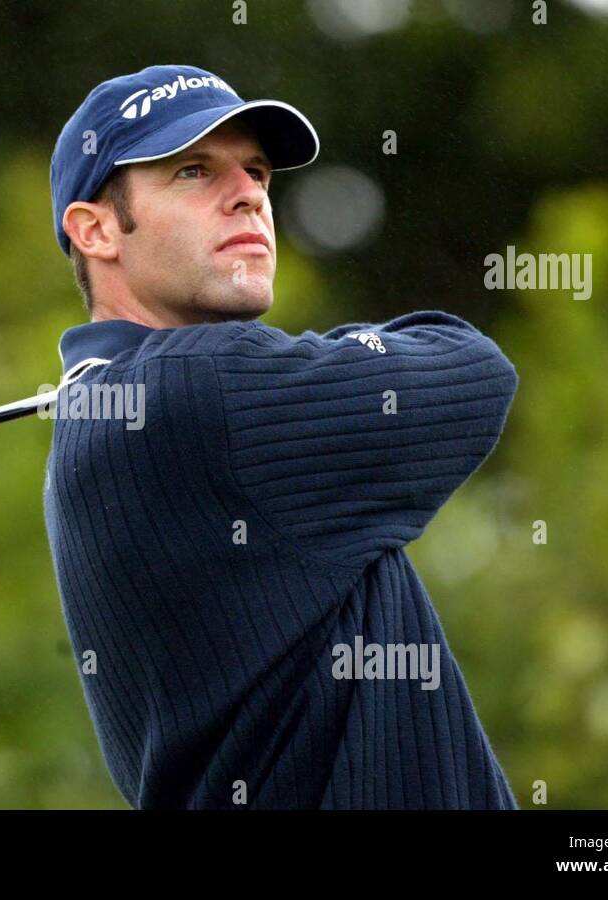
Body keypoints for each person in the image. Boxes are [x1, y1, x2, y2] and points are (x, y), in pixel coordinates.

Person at [43, 64, 519, 809]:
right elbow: (472, 370)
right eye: (194, 171)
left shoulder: (106, 418)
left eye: (257, 171)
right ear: (96, 230)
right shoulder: (195, 390)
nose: (248, 195)